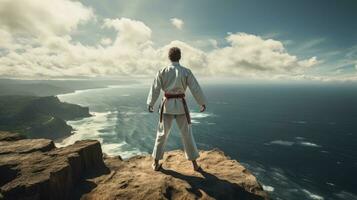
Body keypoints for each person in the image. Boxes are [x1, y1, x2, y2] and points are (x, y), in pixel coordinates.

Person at [147, 47, 207, 171]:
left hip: (167, 106)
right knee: (187, 134)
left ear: (169, 57)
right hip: (181, 107)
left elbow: (155, 89)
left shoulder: (162, 71)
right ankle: (195, 165)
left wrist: (151, 103)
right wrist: (201, 103)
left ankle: (155, 163)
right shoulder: (186, 71)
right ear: (180, 57)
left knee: (162, 134)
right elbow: (195, 88)